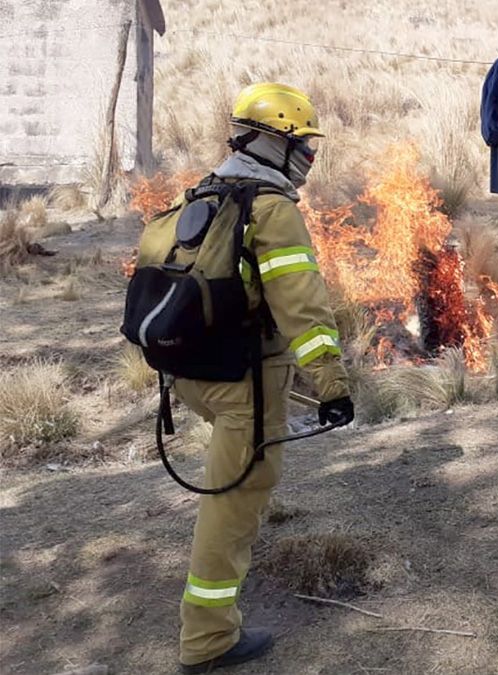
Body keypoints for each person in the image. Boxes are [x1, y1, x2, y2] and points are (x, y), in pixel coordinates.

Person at [167, 82, 355, 672]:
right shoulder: (271, 209)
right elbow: (305, 311)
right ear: (272, 142)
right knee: (235, 500)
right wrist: (333, 387)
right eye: (302, 145)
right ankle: (207, 639)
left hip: (189, 375)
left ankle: (209, 626)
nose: (310, 158)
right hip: (240, 383)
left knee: (235, 488)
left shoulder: (204, 195)